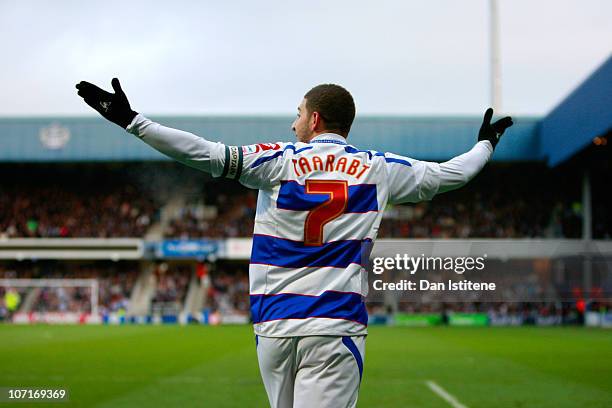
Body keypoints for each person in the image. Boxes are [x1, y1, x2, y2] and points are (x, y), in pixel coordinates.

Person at [76, 78, 512, 408]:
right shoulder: (380, 168)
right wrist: (485, 145)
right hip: (333, 326)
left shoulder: (278, 160)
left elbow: (203, 153)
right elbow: (453, 174)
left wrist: (133, 122)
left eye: (298, 112)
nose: (293, 121)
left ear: (315, 120)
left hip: (274, 328)